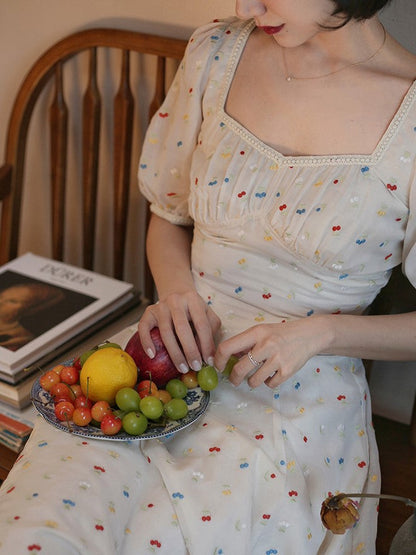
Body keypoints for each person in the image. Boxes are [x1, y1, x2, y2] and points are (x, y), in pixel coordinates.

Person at [0, 0, 415, 553]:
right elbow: (167, 215)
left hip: (297, 395)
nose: (246, 5)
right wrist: (175, 292)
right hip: (161, 360)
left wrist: (323, 332)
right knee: (47, 518)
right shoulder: (217, 52)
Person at [0, 282, 65, 351]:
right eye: (1, 296)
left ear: (30, 309)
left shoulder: (20, 339)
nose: (1, 302)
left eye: (12, 301)